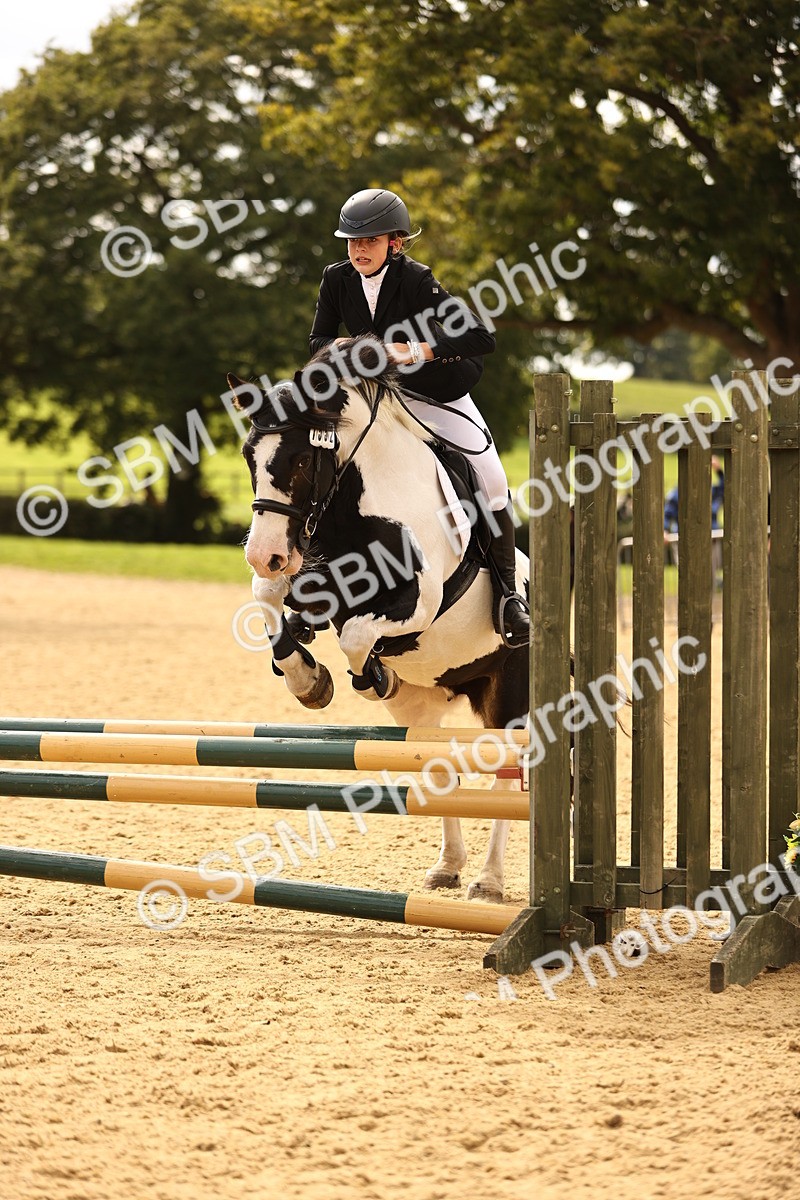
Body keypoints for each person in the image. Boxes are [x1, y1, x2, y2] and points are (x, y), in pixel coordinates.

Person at [308, 187, 529, 647]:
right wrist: (345, 349)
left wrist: (417, 350)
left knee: (489, 477)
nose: (358, 250)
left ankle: (509, 597)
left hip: (437, 393)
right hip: (381, 402)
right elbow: (317, 342)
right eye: (352, 241)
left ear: (396, 242)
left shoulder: (416, 279)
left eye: (369, 241)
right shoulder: (336, 279)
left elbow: (480, 336)